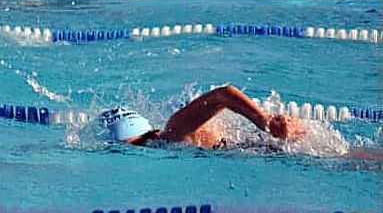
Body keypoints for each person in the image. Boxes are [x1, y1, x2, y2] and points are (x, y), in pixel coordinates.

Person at [99, 85, 306, 148]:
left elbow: (224, 94)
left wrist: (266, 122)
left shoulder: (173, 132)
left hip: (269, 141)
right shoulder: (169, 142)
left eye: (128, 143)